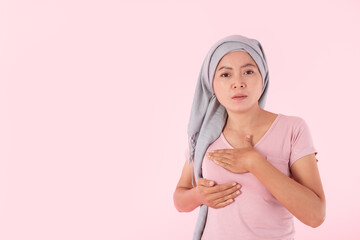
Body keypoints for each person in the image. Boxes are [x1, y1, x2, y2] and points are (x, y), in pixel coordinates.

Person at [173, 35, 326, 240]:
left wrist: (254, 162)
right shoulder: (203, 138)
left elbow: (315, 215)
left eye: (248, 71)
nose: (238, 83)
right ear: (212, 85)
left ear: (263, 78)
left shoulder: (292, 129)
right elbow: (180, 200)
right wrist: (199, 196)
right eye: (225, 74)